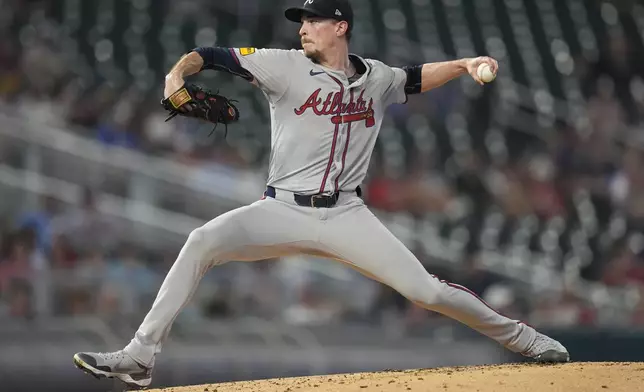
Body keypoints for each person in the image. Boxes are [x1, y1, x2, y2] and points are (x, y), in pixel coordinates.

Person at [73, 0, 569, 388]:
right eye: (301, 21)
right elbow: (214, 55)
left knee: (428, 292)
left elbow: (413, 79)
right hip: (281, 208)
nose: (302, 28)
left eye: (312, 21)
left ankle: (524, 338)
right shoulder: (282, 65)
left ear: (340, 27)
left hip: (346, 215)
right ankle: (140, 356)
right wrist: (178, 74)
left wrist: (462, 64)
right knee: (202, 240)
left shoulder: (374, 77)